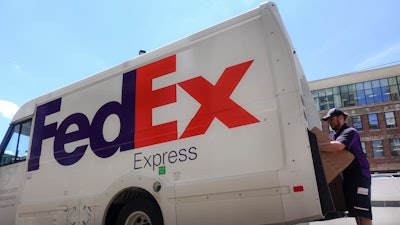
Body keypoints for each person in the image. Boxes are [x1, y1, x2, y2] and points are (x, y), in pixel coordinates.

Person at [319, 108, 373, 225]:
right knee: (357, 213)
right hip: (349, 178)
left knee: (363, 212)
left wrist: (314, 146)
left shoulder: (350, 132)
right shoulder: (336, 135)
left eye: (332, 120)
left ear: (341, 118)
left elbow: (338, 146)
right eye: (328, 121)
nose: (330, 123)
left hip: (360, 177)